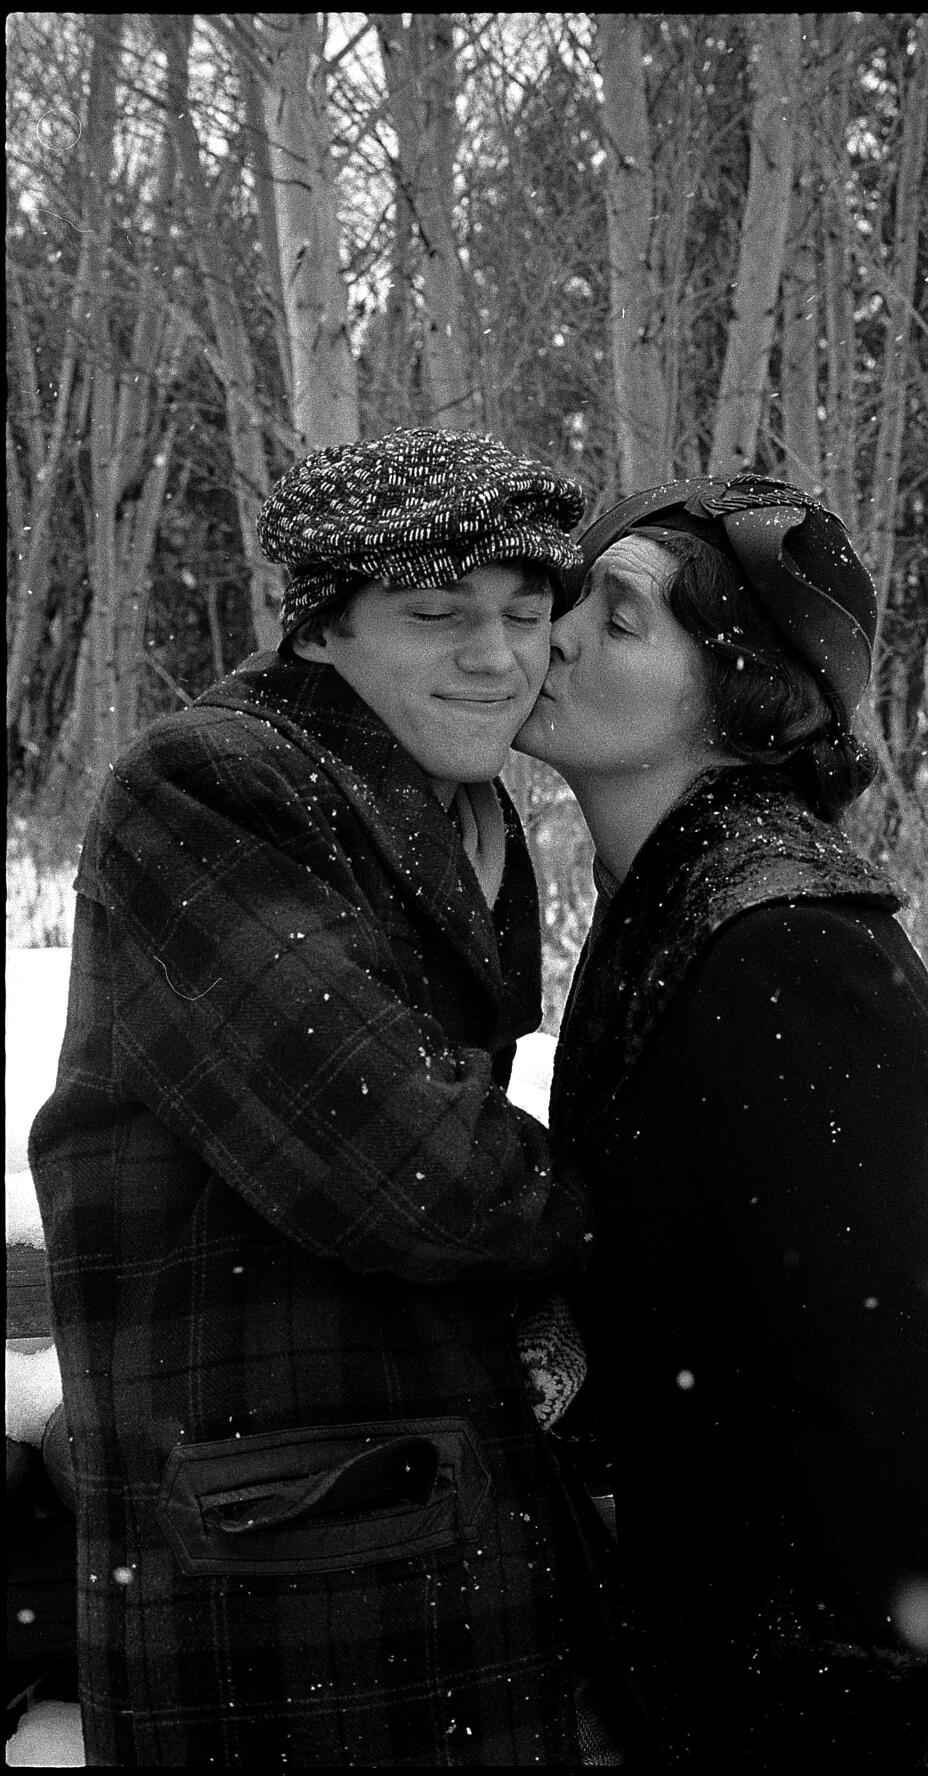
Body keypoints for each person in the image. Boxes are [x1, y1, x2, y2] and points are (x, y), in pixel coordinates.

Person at [515, 473, 928, 1767]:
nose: (557, 631)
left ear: (742, 693)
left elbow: (901, 1426)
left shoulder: (787, 955)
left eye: (621, 614)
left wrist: (832, 1723)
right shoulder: (681, 908)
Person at [28, 427, 632, 1767]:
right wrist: (626, 1213)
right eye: (436, 615)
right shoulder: (210, 785)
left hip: (407, 1499)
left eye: (527, 616)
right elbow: (402, 1165)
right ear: (321, 631)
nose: (496, 656)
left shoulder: (458, 799)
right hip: (263, 1524)